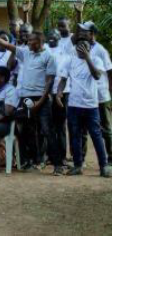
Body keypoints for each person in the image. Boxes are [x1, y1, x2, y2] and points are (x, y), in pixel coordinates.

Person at [0, 24, 60, 173]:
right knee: (25, 130)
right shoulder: (25, 53)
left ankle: (58, 165)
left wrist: (40, 102)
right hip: (25, 98)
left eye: (31, 41)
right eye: (28, 41)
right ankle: (30, 161)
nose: (28, 43)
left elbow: (49, 82)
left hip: (41, 99)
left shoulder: (49, 57)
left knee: (47, 130)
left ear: (40, 42)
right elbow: (6, 44)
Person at [56, 25, 111, 177]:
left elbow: (97, 76)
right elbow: (63, 79)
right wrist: (59, 93)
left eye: (85, 47)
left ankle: (104, 166)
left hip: (91, 105)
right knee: (75, 135)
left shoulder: (96, 60)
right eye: (80, 47)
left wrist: (87, 58)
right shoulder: (70, 61)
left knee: (96, 135)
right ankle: (78, 165)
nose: (82, 49)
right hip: (74, 105)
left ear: (89, 48)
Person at [86, 22, 112, 165]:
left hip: (102, 95)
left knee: (106, 128)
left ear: (92, 34)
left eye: (85, 32)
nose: (82, 34)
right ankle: (82, 159)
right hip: (89, 96)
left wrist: (110, 92)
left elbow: (110, 71)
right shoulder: (83, 48)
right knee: (89, 129)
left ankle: (111, 158)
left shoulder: (101, 50)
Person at [48, 28, 72, 168]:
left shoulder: (65, 53)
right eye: (49, 35)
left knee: (60, 126)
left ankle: (62, 157)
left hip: (63, 93)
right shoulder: (44, 50)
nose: (52, 37)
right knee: (48, 127)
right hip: (46, 93)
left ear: (59, 38)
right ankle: (50, 156)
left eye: (55, 35)